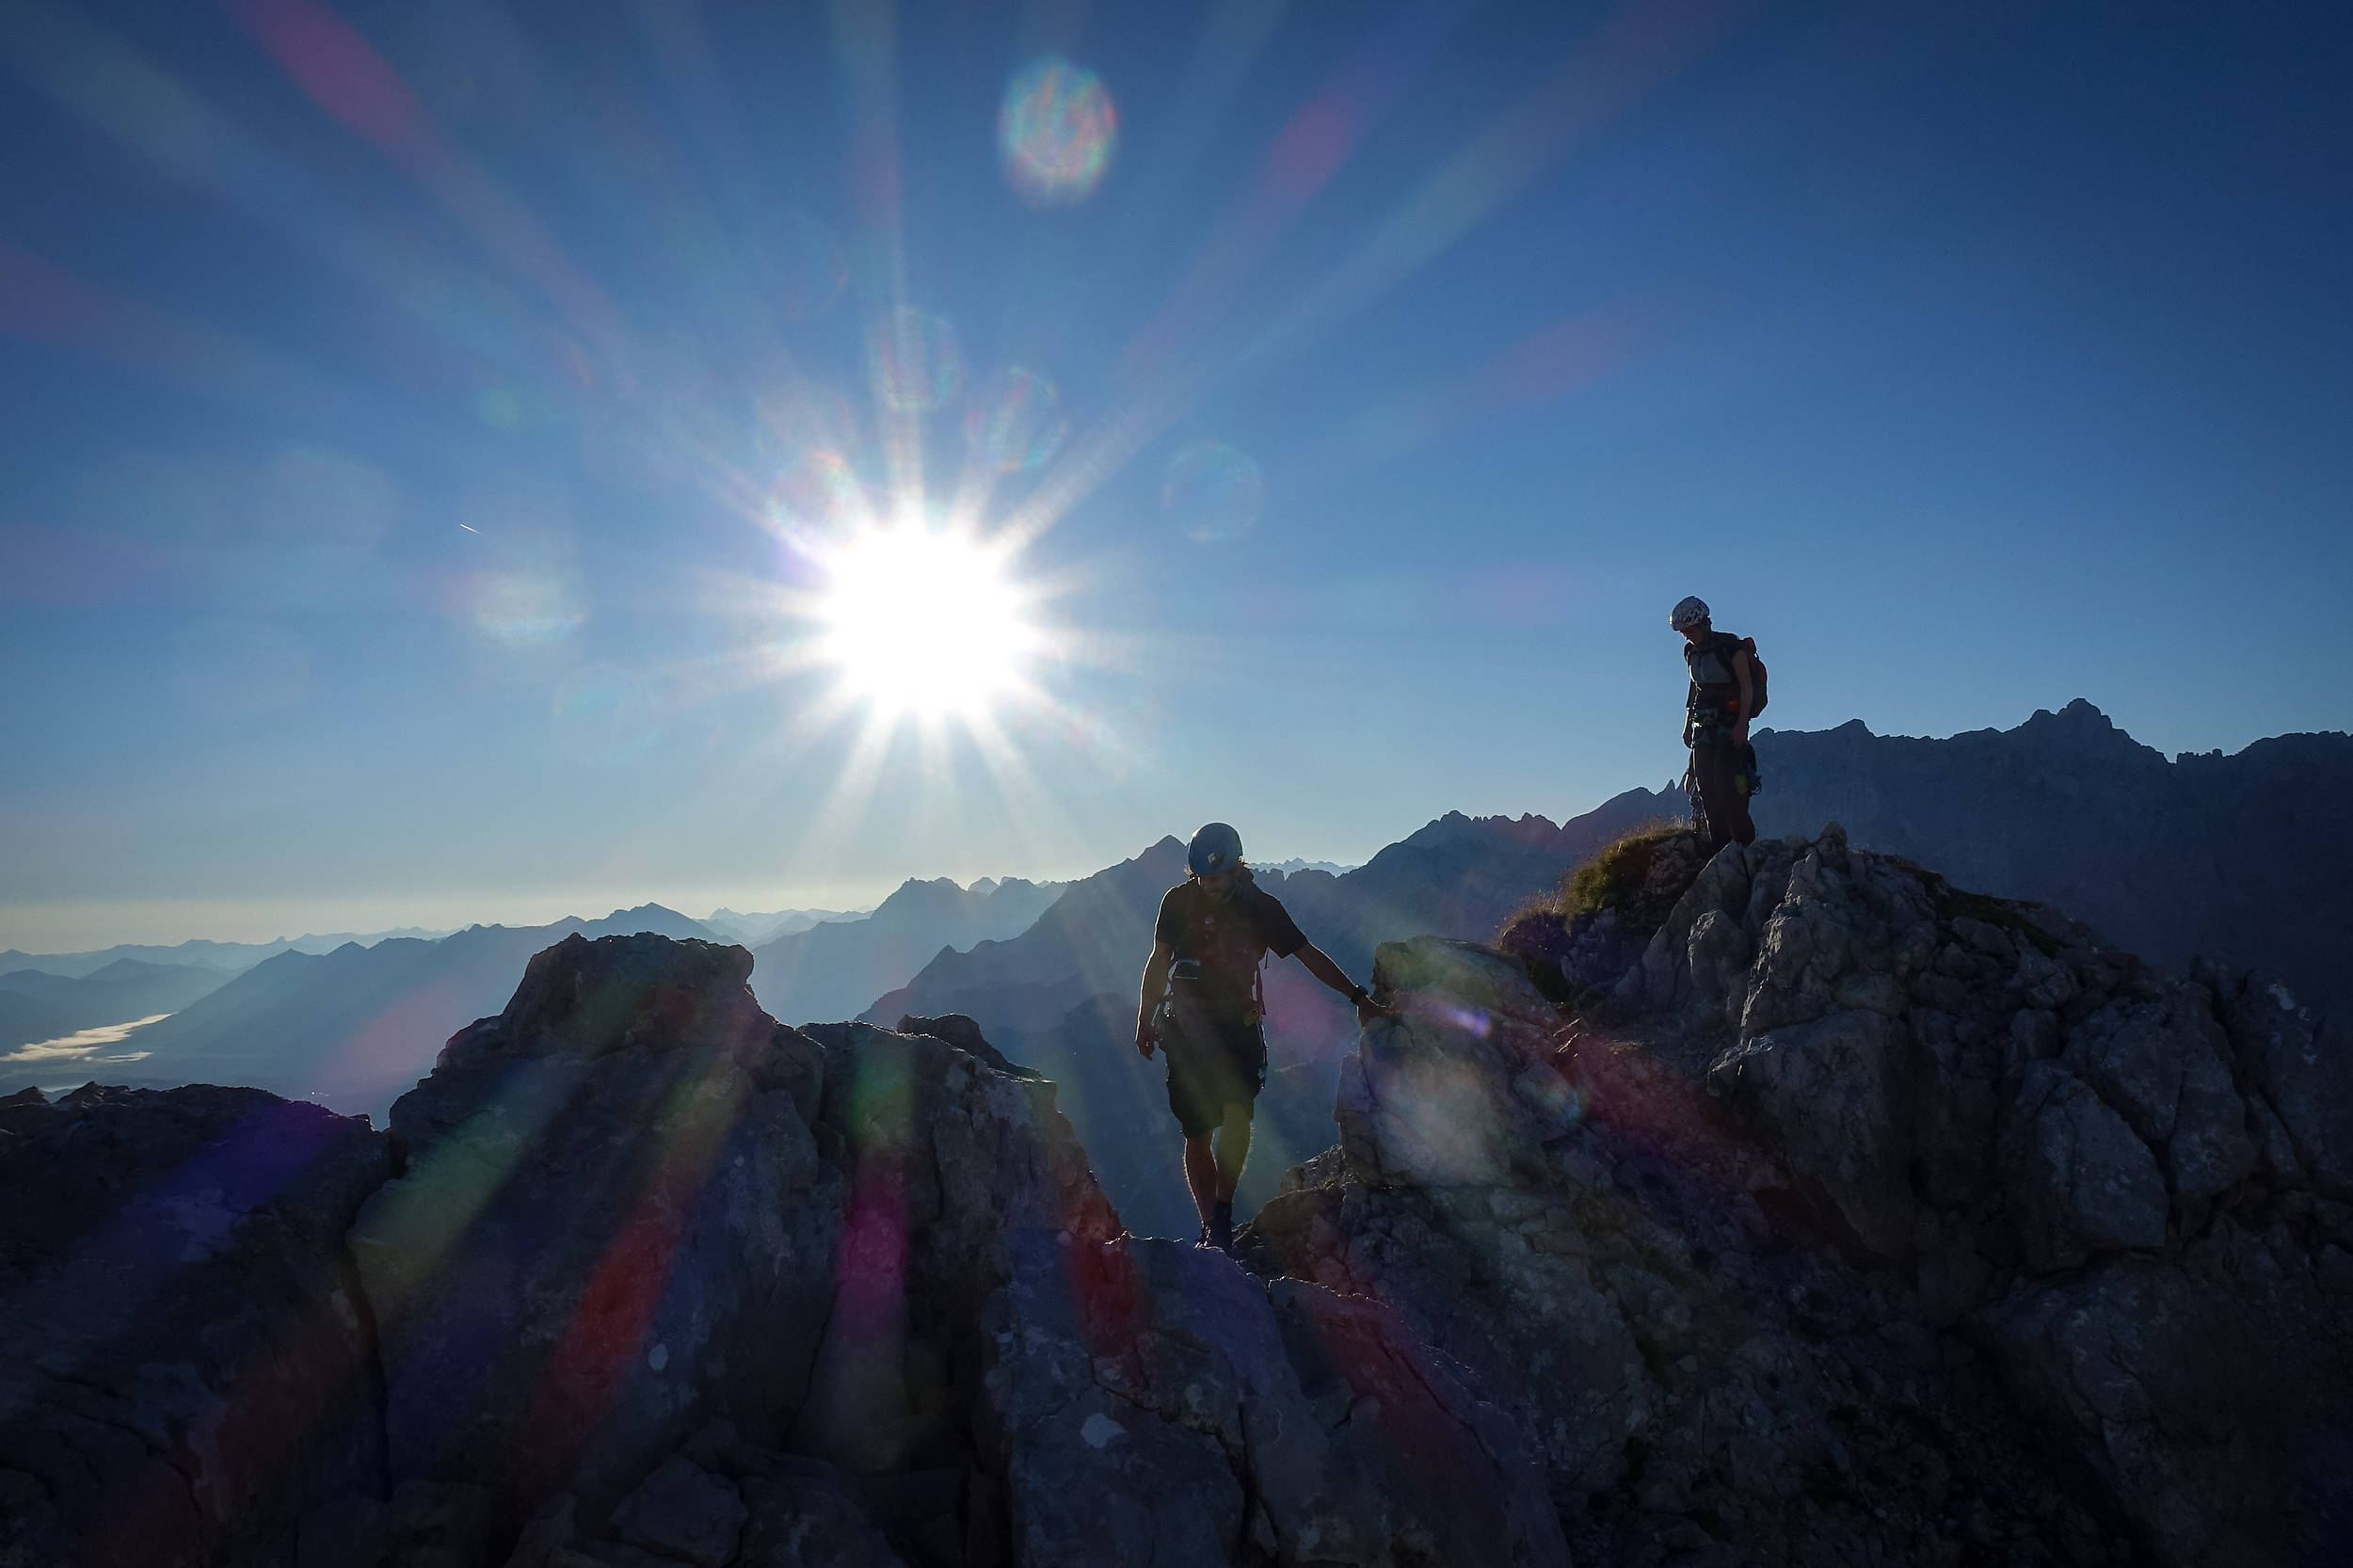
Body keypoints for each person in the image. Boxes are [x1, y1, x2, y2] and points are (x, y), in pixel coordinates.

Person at [1134, 823, 1385, 1255]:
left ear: (1237, 869)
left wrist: (1357, 996)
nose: (1209, 886)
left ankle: (1223, 1216)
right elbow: (1158, 962)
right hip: (1185, 1027)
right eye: (1202, 878)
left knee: (1237, 1117)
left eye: (1217, 877)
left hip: (1235, 1026)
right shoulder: (1177, 901)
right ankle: (1210, 1225)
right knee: (1196, 1132)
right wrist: (1143, 1018)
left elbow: (1308, 955)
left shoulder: (1260, 907)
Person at [1671, 595, 1758, 851]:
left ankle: (1744, 840)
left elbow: (1746, 687)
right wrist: (1688, 724)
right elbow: (1695, 689)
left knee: (1726, 780)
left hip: (1731, 723)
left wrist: (1742, 723)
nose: (1686, 635)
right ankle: (1719, 842)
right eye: (1683, 631)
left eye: (1689, 629)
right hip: (1703, 722)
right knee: (1705, 783)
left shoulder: (1731, 648)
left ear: (1702, 623)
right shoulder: (1691, 652)